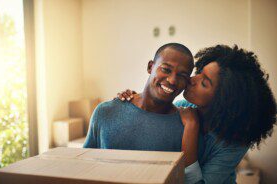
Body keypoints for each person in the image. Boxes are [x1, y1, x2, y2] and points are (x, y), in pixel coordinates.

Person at [118, 45, 277, 183]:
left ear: (222, 100)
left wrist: (191, 127)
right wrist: (134, 99)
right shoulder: (182, 107)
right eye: (199, 72)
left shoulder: (235, 143)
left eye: (204, 83)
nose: (191, 79)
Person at [83, 43, 201, 171]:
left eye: (182, 76)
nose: (172, 80)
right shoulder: (105, 112)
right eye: (166, 69)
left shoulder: (186, 130)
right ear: (150, 67)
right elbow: (83, 166)